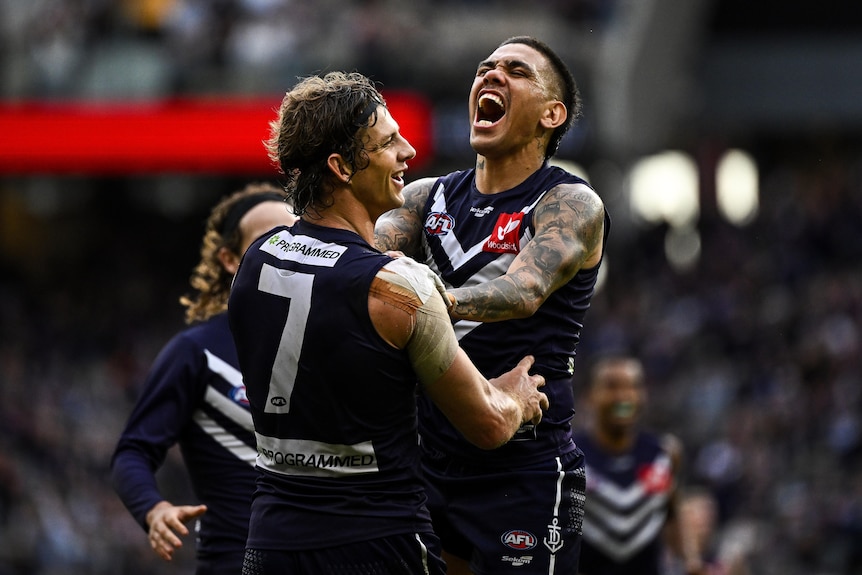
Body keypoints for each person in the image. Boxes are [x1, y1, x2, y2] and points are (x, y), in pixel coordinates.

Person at [227, 71, 550, 575]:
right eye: (387, 143)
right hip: (378, 544)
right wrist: (517, 399)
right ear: (341, 167)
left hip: (271, 544)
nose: (408, 154)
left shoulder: (255, 261)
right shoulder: (397, 286)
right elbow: (486, 424)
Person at [374, 36, 608, 574]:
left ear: (554, 113)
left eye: (516, 71)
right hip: (426, 460)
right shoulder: (422, 198)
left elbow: (521, 291)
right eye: (486, 68)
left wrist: (426, 302)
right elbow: (363, 267)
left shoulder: (569, 203)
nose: (492, 75)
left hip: (523, 468)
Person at [110, 183, 296, 575]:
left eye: (296, 239)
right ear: (229, 258)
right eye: (269, 240)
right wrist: (154, 509)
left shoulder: (335, 341)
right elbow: (133, 452)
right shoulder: (195, 353)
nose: (286, 251)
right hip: (235, 563)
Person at [572, 355, 705, 575]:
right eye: (611, 387)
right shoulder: (570, 456)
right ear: (590, 396)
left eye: (633, 387)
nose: (623, 397)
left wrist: (691, 560)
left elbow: (672, 513)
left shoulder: (664, 454)